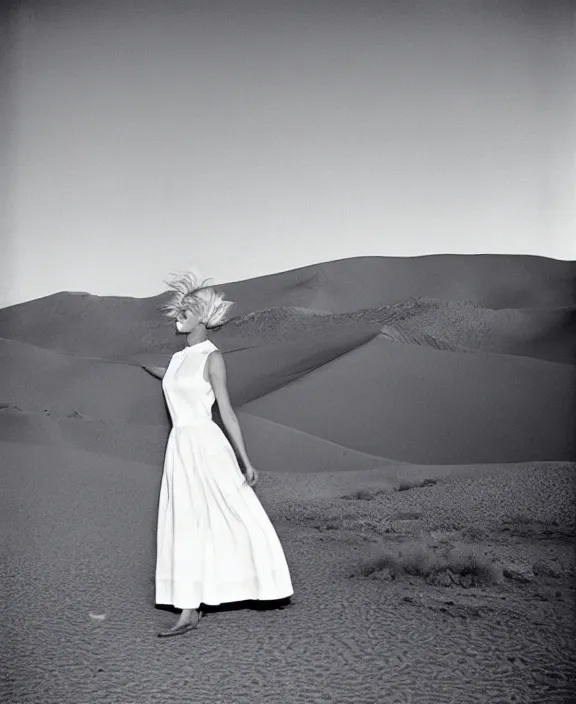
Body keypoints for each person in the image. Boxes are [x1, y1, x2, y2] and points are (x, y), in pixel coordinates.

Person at [142, 270, 293, 638]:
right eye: (178, 311)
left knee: (234, 512)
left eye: (186, 311)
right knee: (185, 521)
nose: (178, 316)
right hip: (179, 447)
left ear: (203, 317)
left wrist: (245, 459)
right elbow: (169, 376)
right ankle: (189, 608)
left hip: (207, 446)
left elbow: (225, 410)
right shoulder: (178, 359)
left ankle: (264, 582)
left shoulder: (213, 358)